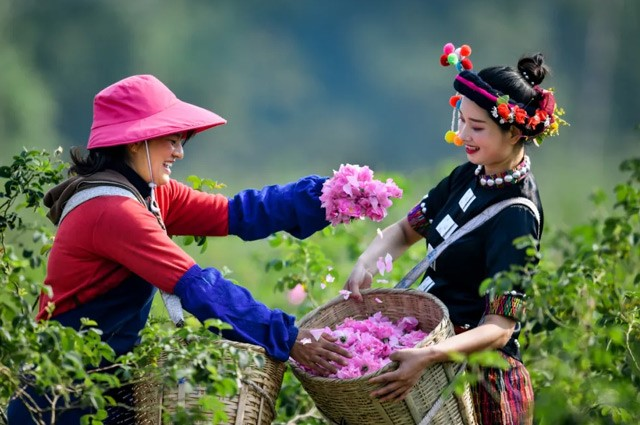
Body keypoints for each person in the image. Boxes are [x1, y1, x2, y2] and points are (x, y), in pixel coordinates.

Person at [7, 74, 349, 424]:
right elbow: (198, 287)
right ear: (135, 142)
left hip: (104, 391)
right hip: (58, 401)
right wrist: (288, 337)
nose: (179, 152)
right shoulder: (111, 210)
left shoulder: (148, 194)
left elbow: (238, 214)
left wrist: (331, 195)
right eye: (171, 141)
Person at [344, 46, 563, 424]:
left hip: (478, 381)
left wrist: (429, 355)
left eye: (477, 127)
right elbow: (405, 230)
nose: (462, 136)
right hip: (429, 355)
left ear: (514, 132)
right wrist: (366, 262)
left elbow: (499, 328)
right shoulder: (467, 176)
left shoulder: (516, 215)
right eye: (461, 121)